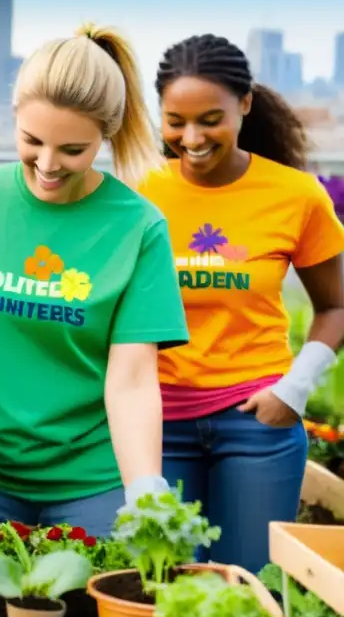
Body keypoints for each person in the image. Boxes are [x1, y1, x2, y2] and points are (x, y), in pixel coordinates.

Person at [0, 24, 190, 538]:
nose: (47, 165)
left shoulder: (139, 228)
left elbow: (132, 379)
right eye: (31, 141)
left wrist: (143, 485)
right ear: (14, 119)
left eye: (72, 149)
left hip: (92, 483)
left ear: (105, 134)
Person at [138, 34, 344, 572]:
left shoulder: (297, 195)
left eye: (211, 119)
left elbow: (336, 307)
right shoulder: (139, 192)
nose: (192, 137)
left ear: (245, 104)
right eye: (175, 121)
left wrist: (295, 390)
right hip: (159, 422)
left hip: (258, 421)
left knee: (250, 586)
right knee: (166, 581)